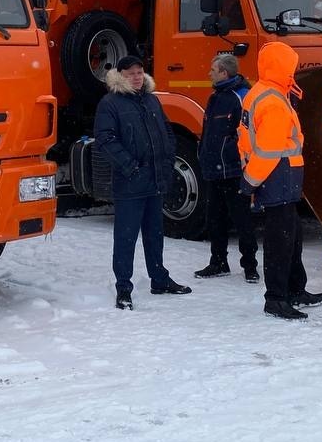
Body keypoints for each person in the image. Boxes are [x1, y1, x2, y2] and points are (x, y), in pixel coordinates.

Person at [94, 54, 193, 310]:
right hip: (130, 182)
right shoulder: (110, 103)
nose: (136, 77)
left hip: (155, 179)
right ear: (120, 76)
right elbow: (105, 139)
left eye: (139, 72)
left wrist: (168, 158)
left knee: (155, 234)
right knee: (126, 238)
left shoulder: (151, 100)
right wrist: (131, 166)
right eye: (130, 74)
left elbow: (167, 131)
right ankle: (123, 289)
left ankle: (159, 279)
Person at [237, 41, 322, 320]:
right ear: (283, 66)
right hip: (278, 176)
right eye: (292, 64)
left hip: (280, 176)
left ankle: (294, 289)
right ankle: (276, 298)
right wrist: (250, 182)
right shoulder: (273, 100)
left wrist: (250, 179)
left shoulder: (266, 93)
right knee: (281, 240)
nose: (295, 70)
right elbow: (269, 149)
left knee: (292, 236)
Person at [194, 53, 259, 282]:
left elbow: (248, 132)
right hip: (214, 170)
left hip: (233, 170)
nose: (209, 73)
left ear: (224, 72)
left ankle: (250, 266)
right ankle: (218, 262)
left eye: (213, 69)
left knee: (242, 220)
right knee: (216, 219)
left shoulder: (241, 96)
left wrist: (230, 153)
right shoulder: (215, 97)